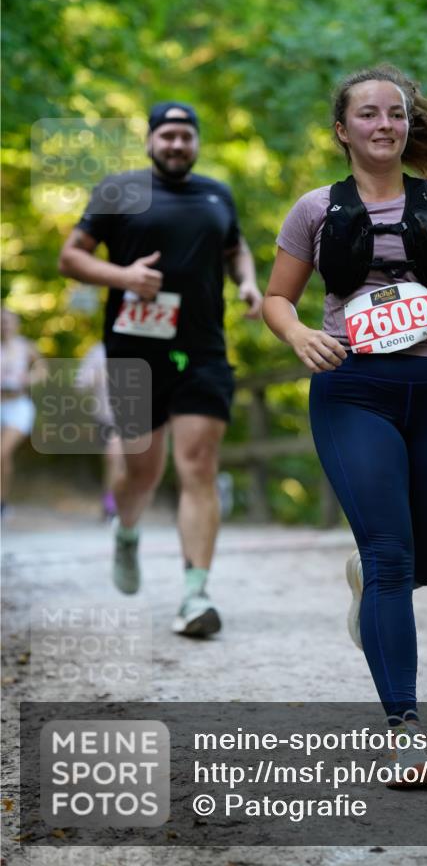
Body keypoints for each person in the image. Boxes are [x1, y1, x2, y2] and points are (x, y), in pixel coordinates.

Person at [263, 65, 427, 785]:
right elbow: (277, 298)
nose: (383, 125)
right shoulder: (314, 210)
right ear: (342, 130)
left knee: (420, 564)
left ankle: (366, 577)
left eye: (394, 113)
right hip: (352, 391)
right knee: (395, 558)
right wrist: (299, 335)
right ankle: (404, 730)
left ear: (406, 123)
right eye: (367, 114)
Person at [59, 102, 263, 637]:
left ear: (196, 143)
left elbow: (235, 247)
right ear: (150, 140)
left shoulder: (218, 193)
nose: (177, 144)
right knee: (141, 471)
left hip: (201, 351)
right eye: (167, 135)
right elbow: (71, 258)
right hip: (133, 352)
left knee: (197, 465)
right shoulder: (118, 191)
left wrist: (247, 282)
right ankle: (127, 533)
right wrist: (123, 275)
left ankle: (195, 595)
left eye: (186, 136)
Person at [74, 340, 125, 520]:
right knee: (114, 461)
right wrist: (98, 376)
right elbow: (79, 384)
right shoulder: (97, 351)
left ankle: (113, 505)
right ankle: (112, 503)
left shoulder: (141, 346)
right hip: (104, 417)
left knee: (114, 456)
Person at [0, 306, 40, 516]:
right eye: (1, 321)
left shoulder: (26, 347)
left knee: (2, 452)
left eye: (8, 321)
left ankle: (2, 503)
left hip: (18, 406)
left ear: (16, 324)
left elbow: (42, 370)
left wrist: (30, 378)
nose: (4, 325)